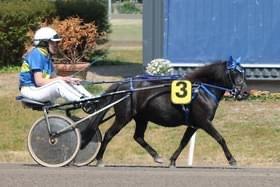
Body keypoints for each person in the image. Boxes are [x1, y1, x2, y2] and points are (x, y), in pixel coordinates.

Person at [19, 27, 93, 104]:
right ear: (44, 43)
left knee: (70, 81)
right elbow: (39, 82)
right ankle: (84, 101)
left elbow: (54, 78)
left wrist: (69, 79)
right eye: (53, 42)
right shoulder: (36, 54)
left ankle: (92, 99)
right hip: (30, 90)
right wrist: (61, 79)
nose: (57, 45)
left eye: (57, 42)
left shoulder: (46, 56)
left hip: (38, 89)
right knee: (58, 83)